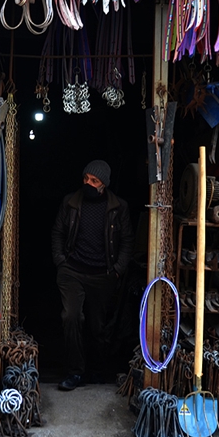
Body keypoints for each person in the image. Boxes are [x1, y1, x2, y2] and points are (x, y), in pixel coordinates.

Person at [51, 160, 133, 391]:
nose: (88, 183)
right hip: (72, 271)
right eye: (86, 178)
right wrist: (60, 262)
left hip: (102, 274)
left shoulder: (119, 207)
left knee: (98, 327)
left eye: (94, 181)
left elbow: (127, 241)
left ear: (104, 185)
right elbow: (57, 232)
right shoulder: (70, 202)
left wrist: (117, 270)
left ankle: (98, 370)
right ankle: (75, 372)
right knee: (71, 316)